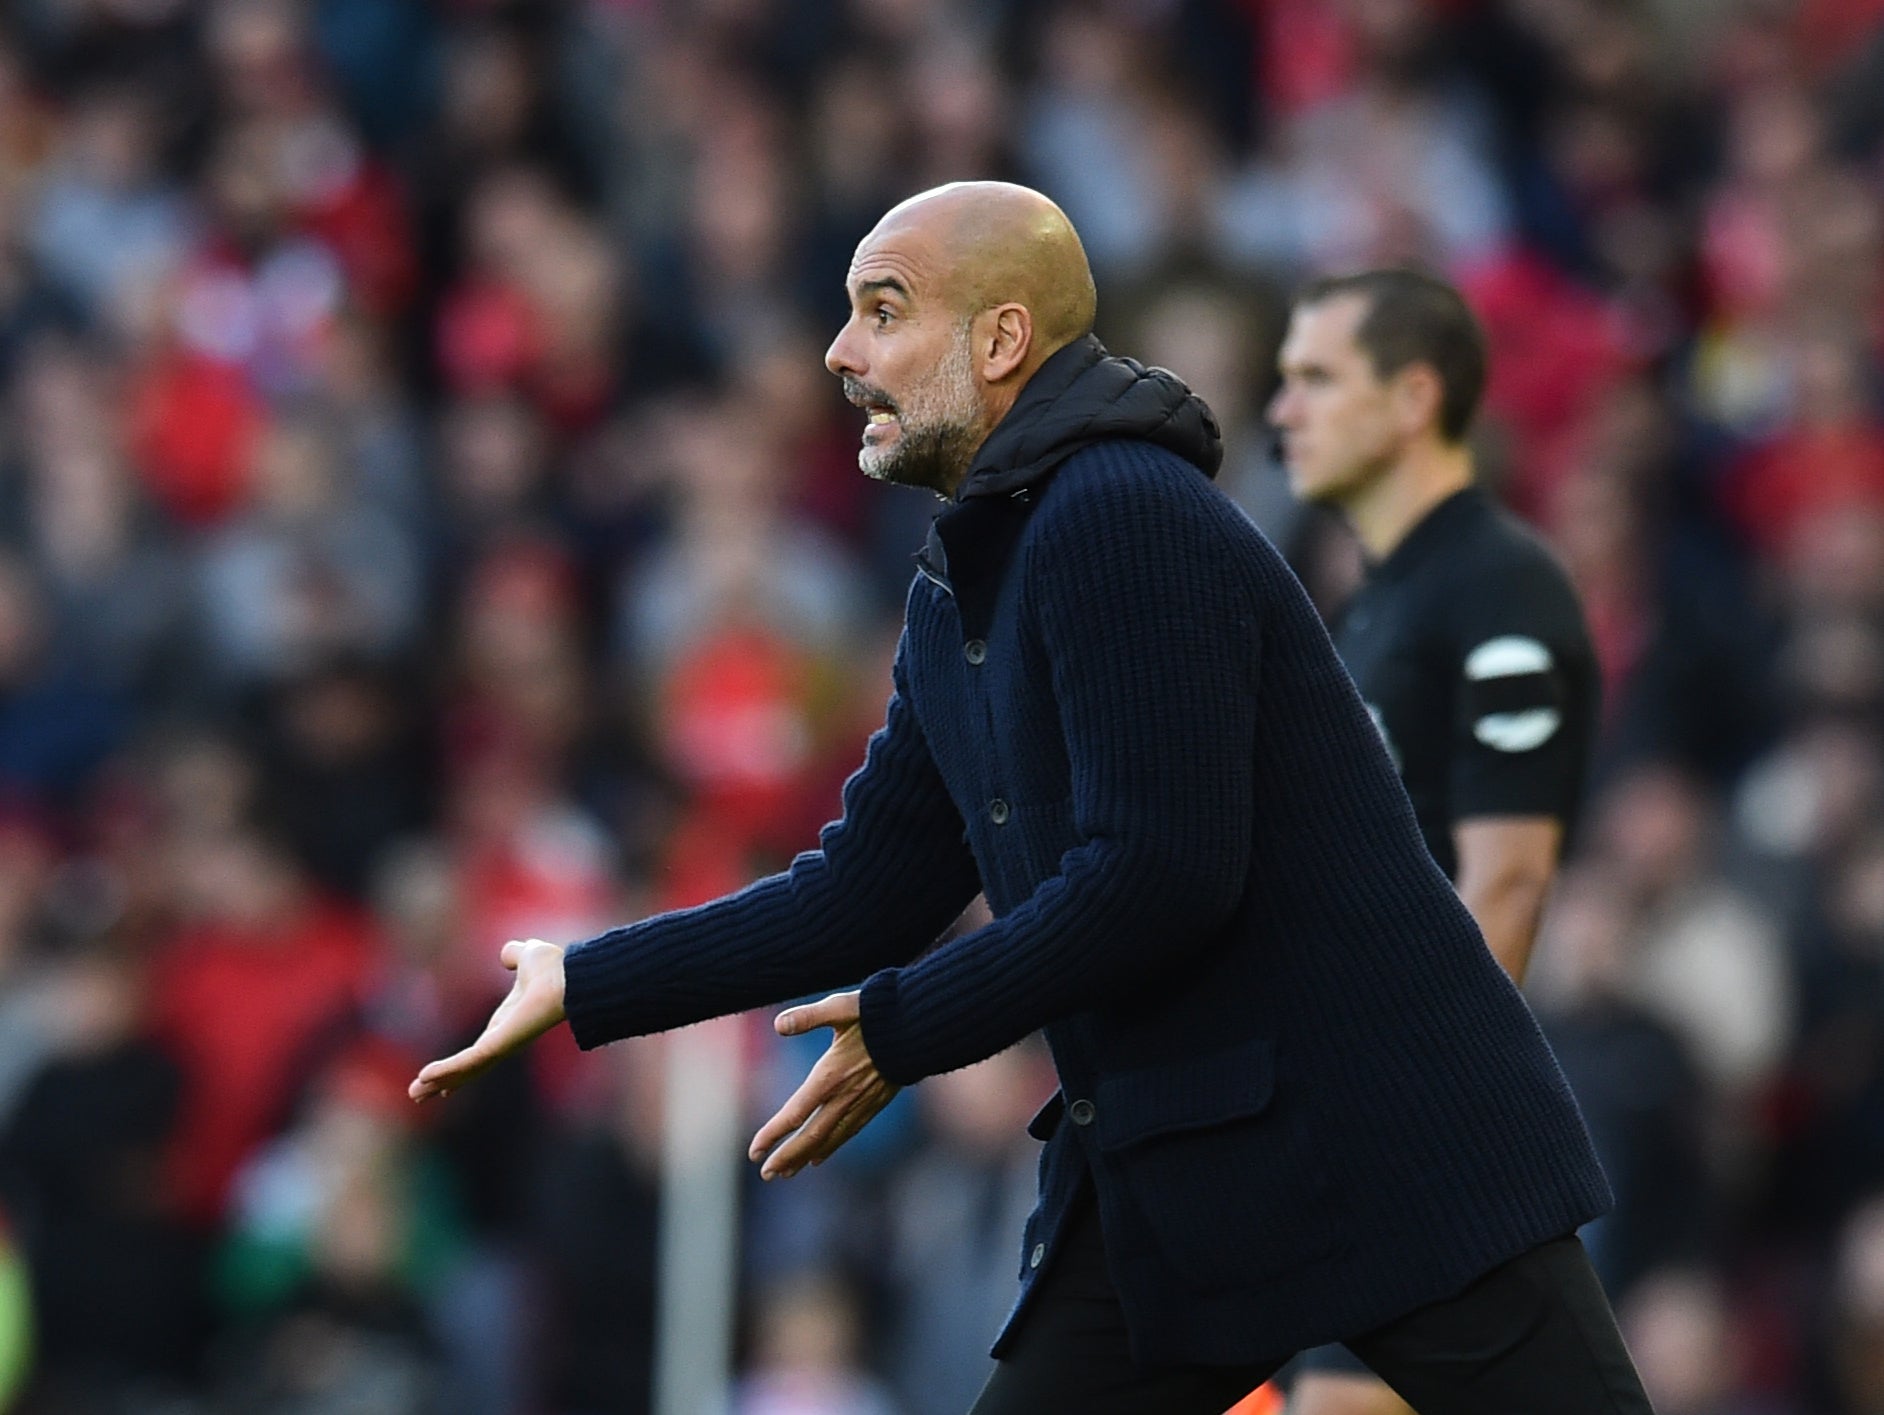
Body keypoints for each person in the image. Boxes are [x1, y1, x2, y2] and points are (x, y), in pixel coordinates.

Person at [409, 181, 1651, 1414]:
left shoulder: (1121, 513)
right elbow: (861, 890)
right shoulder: (962, 580)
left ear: (1001, 340)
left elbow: (1160, 869)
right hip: (1177, 1161)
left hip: (1384, 1139)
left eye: (882, 311)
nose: (840, 353)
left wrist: (904, 1027)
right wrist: (589, 978)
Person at [1265, 270, 1603, 1415]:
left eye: (1315, 378)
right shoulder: (1379, 605)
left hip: (1428, 1155)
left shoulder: (1500, 585)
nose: (1281, 411)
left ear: (1415, 398)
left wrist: (1406, 1128)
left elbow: (1507, 877)